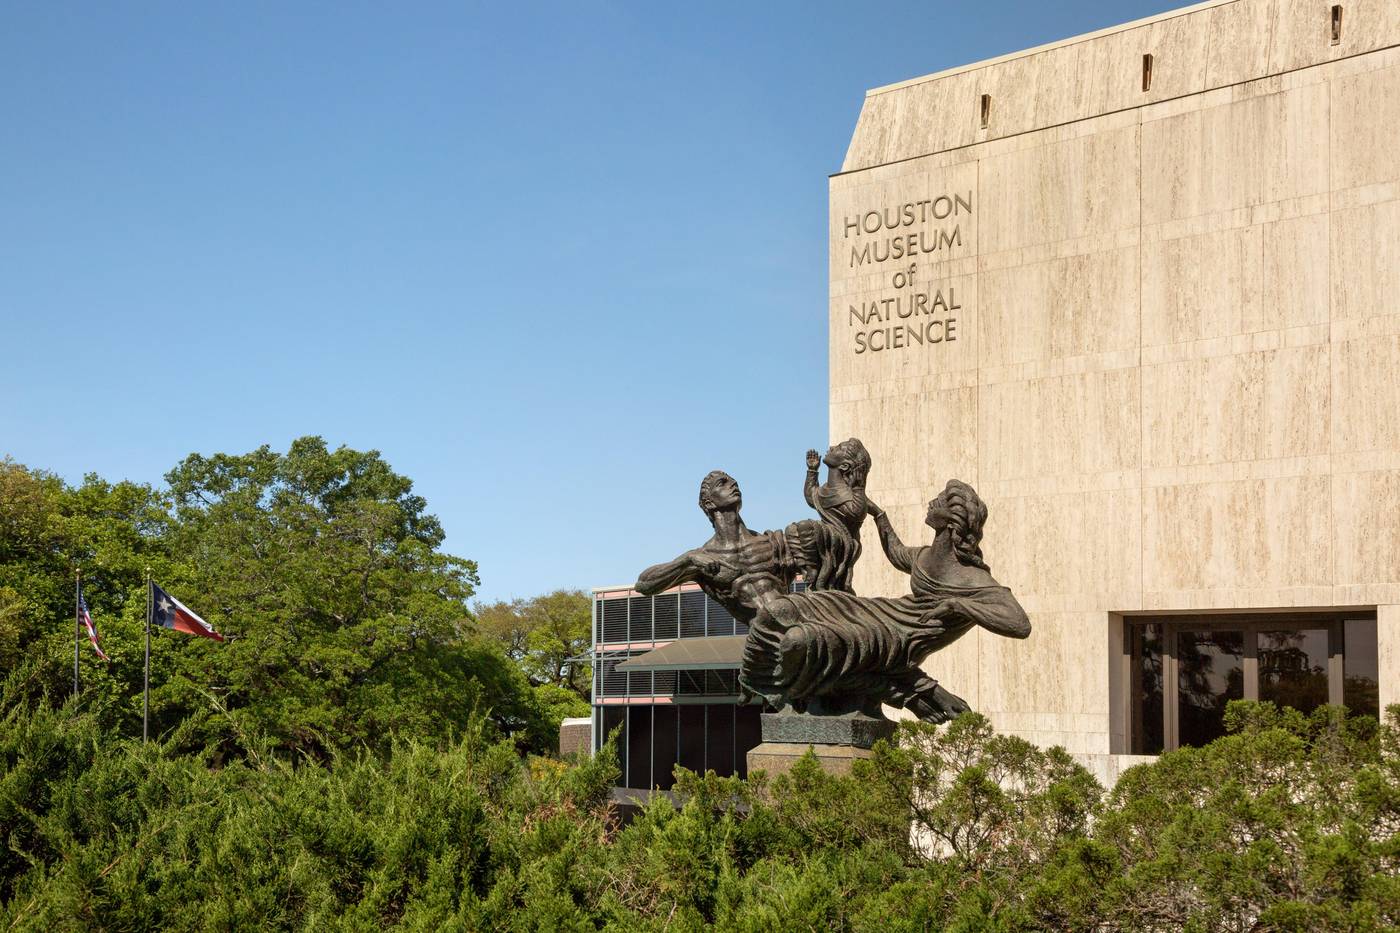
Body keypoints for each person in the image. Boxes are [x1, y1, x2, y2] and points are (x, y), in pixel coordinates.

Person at [741, 479, 1031, 722]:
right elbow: (897, 553)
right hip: (884, 610)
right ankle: (750, 680)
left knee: (802, 639)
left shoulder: (974, 579)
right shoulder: (927, 555)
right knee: (779, 608)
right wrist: (878, 515)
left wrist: (959, 605)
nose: (932, 501)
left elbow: (1019, 625)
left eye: (940, 501)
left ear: (952, 522)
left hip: (901, 636)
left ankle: (792, 694)